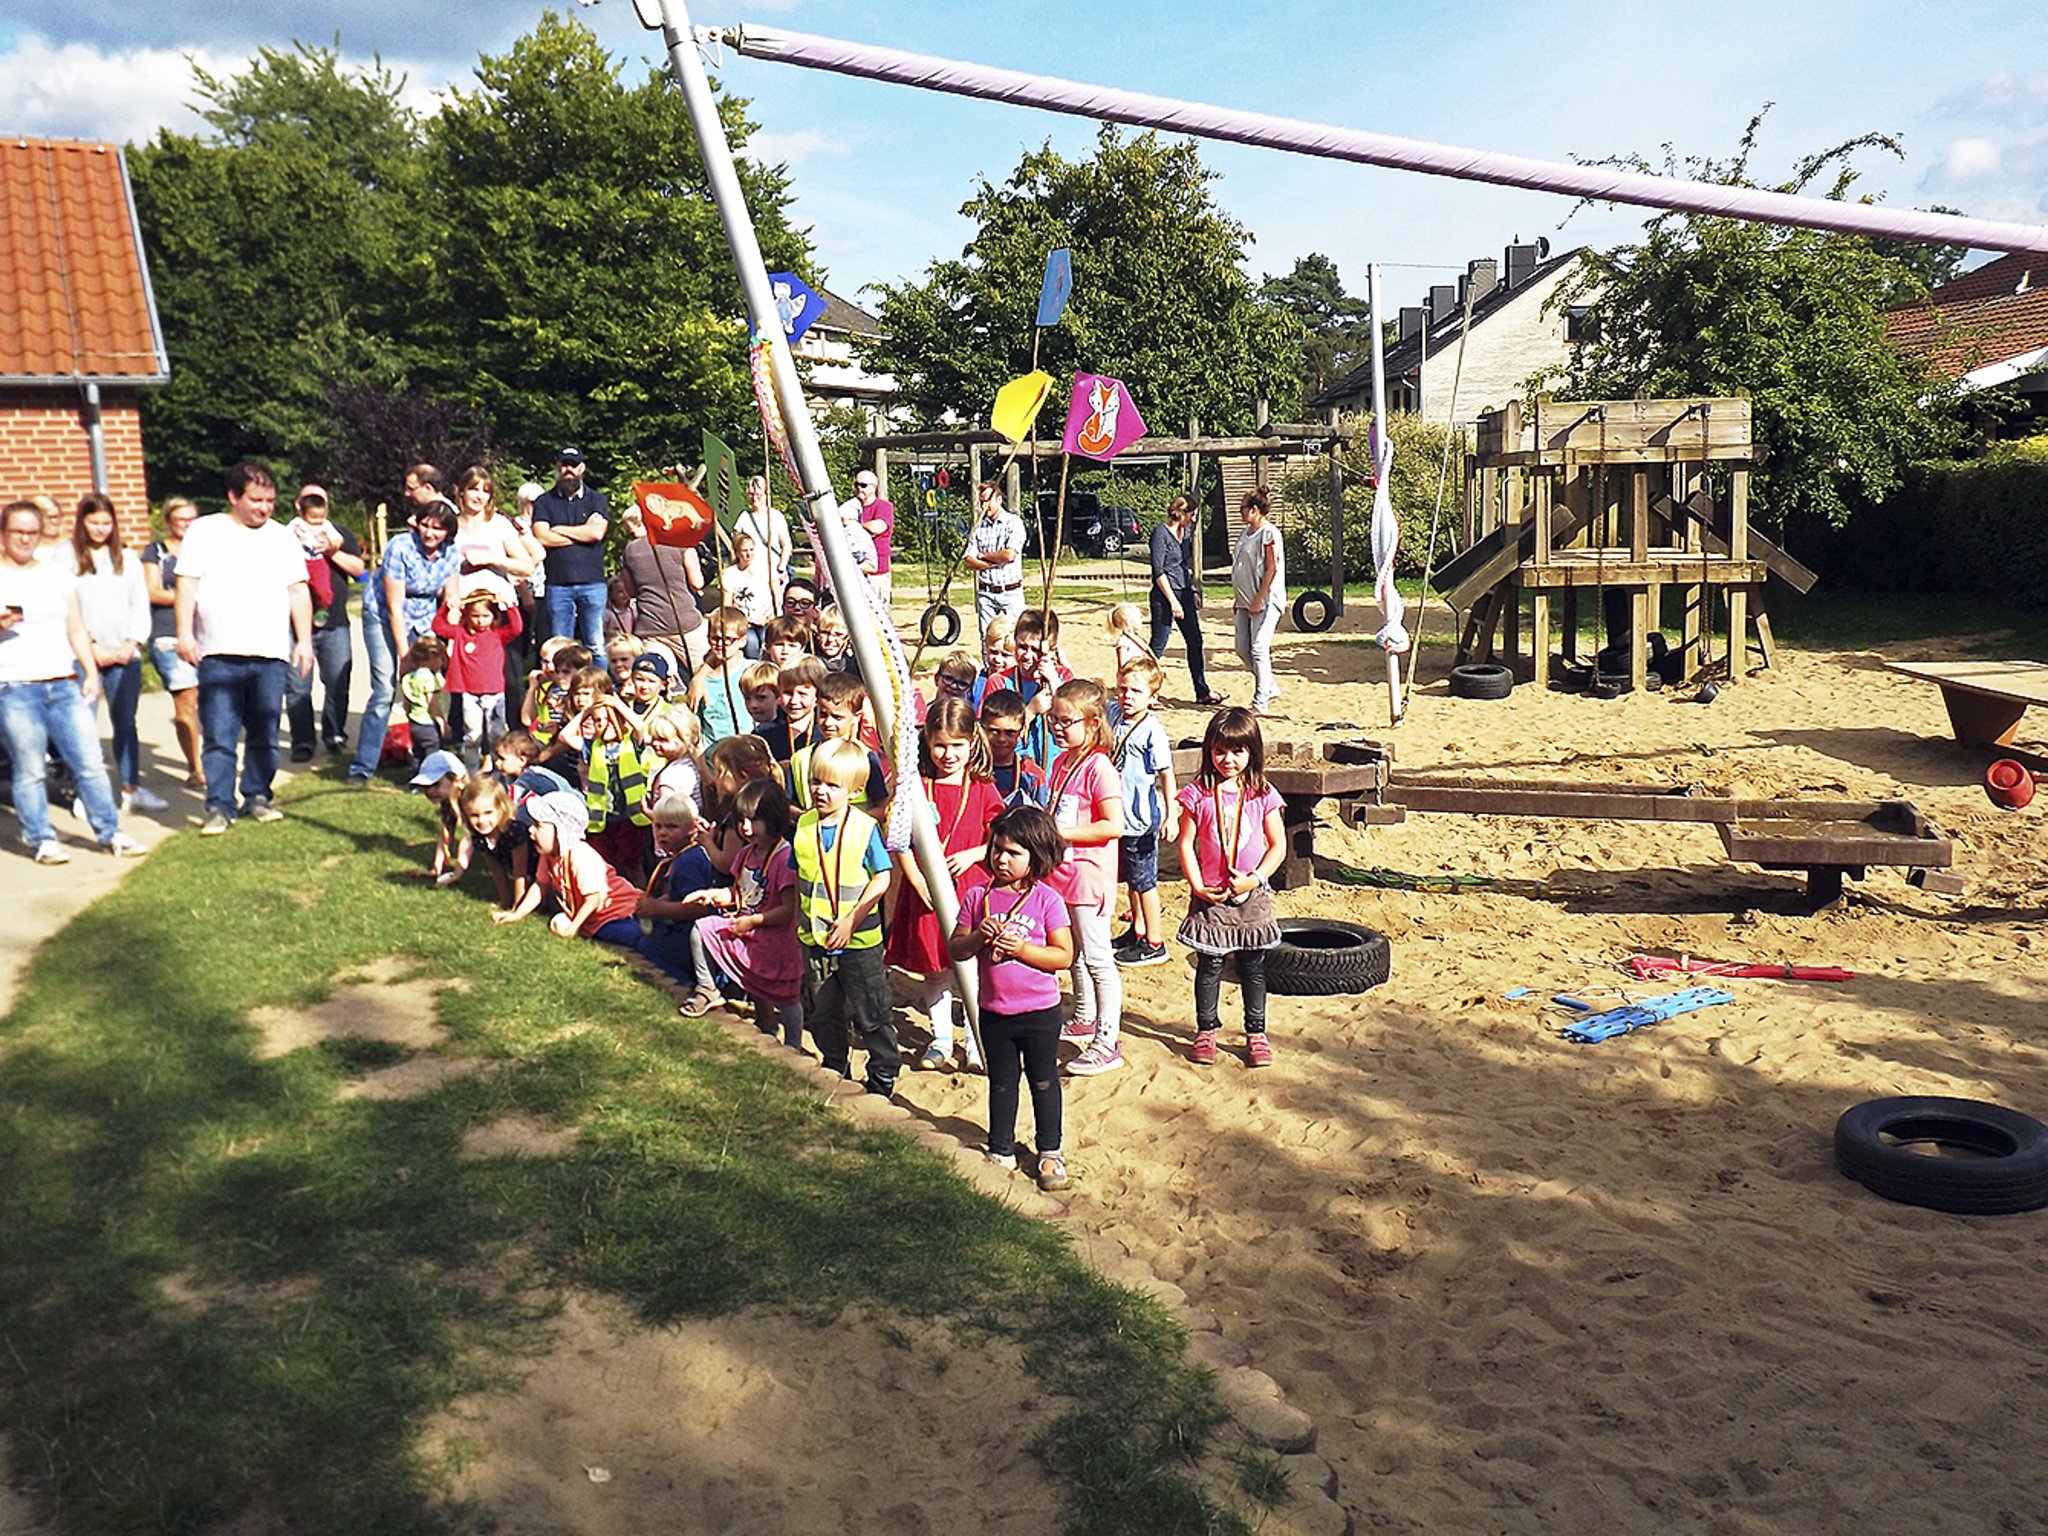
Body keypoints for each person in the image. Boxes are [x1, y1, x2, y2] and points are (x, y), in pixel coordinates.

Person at [0, 499, 144, 862]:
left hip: (63, 682)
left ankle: (110, 833)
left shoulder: (57, 575)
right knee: (30, 769)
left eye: (32, 532)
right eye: (18, 532)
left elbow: (76, 628)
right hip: (15, 686)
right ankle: (41, 839)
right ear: (4, 534)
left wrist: (90, 672)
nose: (26, 539)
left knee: (90, 762)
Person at [174, 461, 314, 833]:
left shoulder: (282, 537)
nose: (264, 508)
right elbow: (186, 584)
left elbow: (298, 590)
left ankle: (258, 796)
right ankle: (219, 806)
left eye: (270, 500)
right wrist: (184, 633)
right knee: (220, 734)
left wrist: (303, 640)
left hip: (270, 652)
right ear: (233, 496)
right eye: (256, 500)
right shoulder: (206, 531)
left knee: (265, 732)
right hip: (218, 652)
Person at [948, 805, 1074, 1192]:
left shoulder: (1047, 900)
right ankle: (1001, 1147)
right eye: (997, 849)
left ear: (1037, 856)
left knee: (1043, 1081)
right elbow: (956, 948)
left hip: (1040, 1012)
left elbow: (1063, 956)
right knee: (1001, 1082)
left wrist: (1023, 950)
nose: (1002, 859)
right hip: (994, 1011)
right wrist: (977, 937)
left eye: (1014, 853)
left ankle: (1050, 1151)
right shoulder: (977, 896)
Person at [890, 697, 1002, 1074]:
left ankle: (974, 1039)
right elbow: (899, 840)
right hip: (926, 895)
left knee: (972, 966)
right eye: (940, 745)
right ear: (927, 743)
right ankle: (940, 1038)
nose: (948, 754)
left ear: (972, 742)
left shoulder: (982, 786)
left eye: (957, 745)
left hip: (971, 891)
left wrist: (975, 854)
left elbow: (1001, 835)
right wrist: (915, 878)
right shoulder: (918, 787)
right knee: (935, 968)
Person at [1176, 707, 1287, 1067]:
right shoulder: (1197, 793)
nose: (1228, 759)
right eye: (1220, 751)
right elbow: (1185, 843)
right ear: (1209, 750)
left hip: (1252, 896)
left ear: (1252, 752)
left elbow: (1278, 845)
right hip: (1211, 897)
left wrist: (1256, 878)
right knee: (1209, 966)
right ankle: (1206, 1030)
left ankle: (1256, 1034)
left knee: (1252, 966)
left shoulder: (1261, 793)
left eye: (1238, 751)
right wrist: (1197, 885)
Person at [794, 739, 897, 1096]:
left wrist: (852, 919)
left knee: (872, 1011)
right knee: (822, 1011)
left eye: (832, 785)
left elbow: (882, 878)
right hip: (816, 938)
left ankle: (882, 1076)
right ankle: (835, 1066)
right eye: (815, 782)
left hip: (859, 941)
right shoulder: (803, 825)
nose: (821, 791)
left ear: (854, 790)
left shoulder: (864, 828)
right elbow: (799, 879)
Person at [1043, 679, 1125, 1076]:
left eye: (1066, 721)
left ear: (1092, 723)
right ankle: (1084, 1015)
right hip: (1060, 873)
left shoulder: (1100, 768)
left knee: (1097, 958)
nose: (1058, 728)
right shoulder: (1062, 763)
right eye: (1053, 720)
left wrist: (1063, 833)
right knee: (1073, 952)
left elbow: (1113, 825)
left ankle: (1108, 1040)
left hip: (1088, 876)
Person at [350, 501, 460, 785]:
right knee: (385, 688)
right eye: (425, 525)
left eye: (437, 528)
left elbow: (452, 599)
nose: (429, 533)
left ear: (448, 532)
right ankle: (363, 766)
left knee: (428, 687)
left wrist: (450, 638)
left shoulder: (451, 552)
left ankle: (425, 759)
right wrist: (405, 657)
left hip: (424, 618)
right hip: (384, 616)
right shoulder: (400, 547)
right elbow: (394, 607)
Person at [694, 776, 804, 1038]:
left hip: (776, 939)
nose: (745, 828)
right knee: (702, 929)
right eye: (740, 820)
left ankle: (793, 1044)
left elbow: (789, 909)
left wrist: (753, 921)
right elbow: (739, 892)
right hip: (748, 930)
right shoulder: (746, 853)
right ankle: (708, 989)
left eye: (753, 821)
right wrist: (714, 895)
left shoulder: (784, 857)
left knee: (787, 997)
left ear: (773, 818)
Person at [71, 493, 158, 811]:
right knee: (83, 726)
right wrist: (91, 647)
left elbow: (139, 606)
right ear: (82, 522)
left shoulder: (128, 559)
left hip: (124, 655)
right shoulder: (68, 559)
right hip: (83, 656)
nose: (100, 529)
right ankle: (85, 793)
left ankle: (131, 788)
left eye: (106, 523)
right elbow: (68, 610)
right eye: (94, 522)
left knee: (125, 722)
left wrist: (130, 644)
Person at [491, 791, 642, 946]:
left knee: (634, 937)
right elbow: (541, 885)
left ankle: (650, 930)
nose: (531, 830)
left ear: (560, 830)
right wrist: (517, 914)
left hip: (618, 909)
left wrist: (573, 927)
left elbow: (593, 899)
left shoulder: (580, 855)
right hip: (596, 918)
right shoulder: (549, 855)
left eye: (538, 825)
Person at [281, 484, 365, 762]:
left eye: (322, 503)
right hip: (294, 624)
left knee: (338, 681)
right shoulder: (284, 535)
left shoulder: (338, 533)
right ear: (298, 505)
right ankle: (303, 741)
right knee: (297, 686)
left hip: (335, 621)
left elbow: (358, 569)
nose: (318, 510)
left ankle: (334, 734)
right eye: (311, 502)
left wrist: (331, 551)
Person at [1108, 657, 1176, 968]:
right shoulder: (1114, 714)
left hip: (1141, 821)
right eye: (1123, 689)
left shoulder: (1151, 730)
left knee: (1145, 882)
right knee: (1132, 880)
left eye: (1136, 691)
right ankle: (1137, 930)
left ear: (1152, 696)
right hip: (1119, 818)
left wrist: (1171, 813)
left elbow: (1166, 774)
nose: (1127, 696)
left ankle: (1155, 941)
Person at [140, 498, 204, 788]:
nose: (187, 525)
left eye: (192, 519)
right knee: (186, 702)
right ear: (168, 521)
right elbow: (152, 592)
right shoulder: (156, 552)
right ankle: (196, 767)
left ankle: (215, 761)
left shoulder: (206, 550)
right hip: (169, 634)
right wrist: (190, 597)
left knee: (214, 703)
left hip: (207, 634)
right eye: (181, 519)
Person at [529, 447, 610, 647]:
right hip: (557, 584)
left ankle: (597, 671)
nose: (569, 469)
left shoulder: (597, 499)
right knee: (560, 645)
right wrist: (582, 533)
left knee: (596, 644)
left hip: (593, 583)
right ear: (557, 466)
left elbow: (596, 533)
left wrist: (558, 529)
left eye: (574, 465)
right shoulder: (544, 502)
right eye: (565, 464)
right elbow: (542, 537)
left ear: (582, 468)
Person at [1149, 494, 1224, 705]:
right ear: (1181, 513)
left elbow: (1182, 565)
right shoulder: (1160, 534)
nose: (1193, 519)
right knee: (1158, 644)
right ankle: (1146, 691)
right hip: (1164, 596)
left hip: (1184, 593)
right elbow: (1158, 571)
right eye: (1191, 514)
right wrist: (1173, 601)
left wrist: (1192, 590)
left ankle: (1202, 691)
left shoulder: (1186, 533)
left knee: (1195, 641)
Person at [432, 589, 522, 764]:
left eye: (486, 616)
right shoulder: (460, 634)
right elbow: (438, 627)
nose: (480, 621)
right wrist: (446, 607)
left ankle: (499, 770)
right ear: (466, 615)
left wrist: (510, 606)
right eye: (475, 616)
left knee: (497, 735)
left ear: (494, 616)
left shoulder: (498, 634)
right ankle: (471, 771)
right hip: (470, 695)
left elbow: (516, 628)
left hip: (495, 694)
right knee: (472, 736)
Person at [619, 507, 708, 670]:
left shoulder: (628, 552)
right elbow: (697, 583)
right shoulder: (679, 542)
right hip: (684, 623)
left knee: (656, 678)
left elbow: (631, 592)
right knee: (705, 674)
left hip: (650, 626)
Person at [450, 465, 541, 615]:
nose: (479, 496)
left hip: (499, 608)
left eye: (485, 491)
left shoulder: (499, 524)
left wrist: (492, 559)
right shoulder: (449, 525)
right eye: (473, 489)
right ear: (461, 492)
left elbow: (526, 566)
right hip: (462, 609)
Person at [1231, 488, 1285, 716]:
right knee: (1242, 648)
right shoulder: (1246, 533)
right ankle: (1269, 685)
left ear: (1254, 510)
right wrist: (1239, 598)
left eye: (1242, 508)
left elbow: (1272, 568)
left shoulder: (1269, 533)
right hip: (1244, 599)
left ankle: (1260, 700)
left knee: (1259, 647)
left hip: (1265, 599)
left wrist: (1259, 598)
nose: (1240, 513)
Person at [963, 481, 1026, 643]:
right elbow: (968, 560)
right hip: (986, 593)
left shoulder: (1013, 522)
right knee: (987, 639)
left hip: (1011, 591)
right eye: (981, 502)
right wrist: (989, 564)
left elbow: (1009, 555)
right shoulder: (978, 527)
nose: (984, 506)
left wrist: (983, 556)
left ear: (999, 499)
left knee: (1014, 638)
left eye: (987, 501)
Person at [688, 606, 752, 749]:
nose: (720, 644)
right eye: (715, 638)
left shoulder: (751, 670)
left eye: (728, 639)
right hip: (713, 752)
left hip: (748, 749)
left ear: (742, 641)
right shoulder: (702, 681)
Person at [979, 687, 1045, 809]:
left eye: (1010, 732)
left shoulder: (1031, 774)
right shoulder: (972, 769)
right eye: (994, 731)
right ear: (982, 728)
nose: (1001, 739)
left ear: (1022, 731)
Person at [718, 531, 774, 656]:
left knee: (767, 643)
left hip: (765, 618)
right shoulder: (730, 574)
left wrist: (767, 615)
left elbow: (776, 595)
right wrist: (739, 621)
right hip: (745, 622)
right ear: (737, 552)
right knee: (752, 644)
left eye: (751, 550)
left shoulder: (764, 568)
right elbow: (727, 604)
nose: (749, 554)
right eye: (744, 551)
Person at [734, 475, 795, 588]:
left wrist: (781, 568)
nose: (754, 498)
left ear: (766, 495)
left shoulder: (775, 516)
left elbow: (786, 545)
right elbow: (736, 545)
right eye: (751, 494)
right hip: (751, 573)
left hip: (773, 572)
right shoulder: (743, 517)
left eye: (758, 494)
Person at [399, 635, 449, 766]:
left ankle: (417, 774)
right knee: (433, 751)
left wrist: (408, 714)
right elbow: (432, 703)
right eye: (441, 659)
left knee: (418, 751)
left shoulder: (409, 677)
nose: (442, 663)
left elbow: (407, 702)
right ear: (432, 658)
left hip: (415, 722)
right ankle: (432, 774)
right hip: (428, 722)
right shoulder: (429, 679)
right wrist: (442, 722)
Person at [853, 468, 894, 611]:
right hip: (854, 571)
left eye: (863, 485)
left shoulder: (883, 506)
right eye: (856, 484)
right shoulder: (851, 507)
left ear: (874, 487)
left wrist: (852, 526)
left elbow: (876, 528)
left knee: (877, 615)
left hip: (876, 574)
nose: (859, 488)